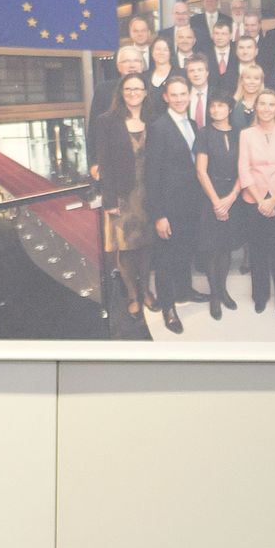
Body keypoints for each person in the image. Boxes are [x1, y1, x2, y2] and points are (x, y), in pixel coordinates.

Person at [90, 72, 153, 320]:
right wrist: (109, 200)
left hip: (148, 194)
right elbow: (104, 162)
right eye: (128, 89)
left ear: (145, 93)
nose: (133, 93)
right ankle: (133, 295)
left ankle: (146, 290)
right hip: (122, 195)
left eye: (138, 89)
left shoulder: (153, 119)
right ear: (121, 93)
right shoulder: (107, 121)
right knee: (125, 248)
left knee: (147, 245)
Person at [144, 76, 204, 334]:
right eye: (174, 95)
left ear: (189, 96)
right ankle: (168, 308)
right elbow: (151, 174)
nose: (179, 99)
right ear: (166, 97)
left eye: (183, 94)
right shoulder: (158, 127)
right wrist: (159, 215)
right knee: (166, 260)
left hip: (191, 203)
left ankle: (185, 290)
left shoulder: (193, 124)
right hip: (168, 207)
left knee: (185, 252)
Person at [238, 87, 275, 315]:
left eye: (271, 104)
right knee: (258, 251)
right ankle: (260, 296)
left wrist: (272, 201)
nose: (266, 108)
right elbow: (244, 171)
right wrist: (260, 201)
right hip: (254, 200)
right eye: (262, 103)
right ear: (256, 107)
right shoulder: (246, 134)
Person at [192, 91, 242, 320]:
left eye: (221, 106)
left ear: (230, 109)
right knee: (212, 248)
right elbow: (201, 171)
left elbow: (245, 168)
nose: (216, 110)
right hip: (210, 196)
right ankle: (214, 295)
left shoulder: (240, 133)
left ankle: (223, 290)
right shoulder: (204, 133)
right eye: (212, 106)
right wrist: (216, 202)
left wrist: (231, 198)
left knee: (226, 247)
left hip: (234, 196)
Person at [230, 63, 266, 131]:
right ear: (241, 80)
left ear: (261, 82)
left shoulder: (266, 104)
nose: (252, 82)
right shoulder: (232, 103)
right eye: (248, 78)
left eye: (256, 78)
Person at [145, 36, 176, 100]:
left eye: (165, 50)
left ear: (170, 53)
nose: (161, 53)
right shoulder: (145, 76)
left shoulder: (181, 74)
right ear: (152, 52)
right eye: (158, 49)